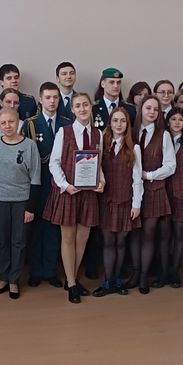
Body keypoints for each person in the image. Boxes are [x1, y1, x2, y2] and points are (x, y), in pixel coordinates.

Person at [45, 91, 104, 303]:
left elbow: (99, 163)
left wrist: (101, 181)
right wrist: (65, 185)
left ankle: (73, 277)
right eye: (78, 106)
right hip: (69, 192)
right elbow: (54, 163)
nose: (82, 109)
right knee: (68, 239)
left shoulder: (98, 134)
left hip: (89, 194)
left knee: (82, 239)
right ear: (72, 109)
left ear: (91, 107)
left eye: (85, 105)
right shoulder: (64, 132)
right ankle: (71, 284)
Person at [0, 107, 40, 298]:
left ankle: (14, 279)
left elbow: (35, 178)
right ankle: (4, 277)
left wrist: (31, 208)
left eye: (11, 122)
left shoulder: (29, 145)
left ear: (18, 123)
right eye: (3, 123)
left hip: (22, 200)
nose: (7, 126)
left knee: (19, 241)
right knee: (3, 241)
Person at [93, 103, 143, 296]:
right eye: (115, 120)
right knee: (108, 242)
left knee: (121, 242)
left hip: (125, 202)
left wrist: (136, 204)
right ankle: (108, 281)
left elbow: (137, 179)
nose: (119, 124)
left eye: (123, 121)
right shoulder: (102, 145)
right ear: (110, 123)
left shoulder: (134, 148)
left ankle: (118, 280)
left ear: (127, 124)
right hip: (106, 201)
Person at [132, 95, 175, 293]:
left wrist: (148, 175)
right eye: (148, 108)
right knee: (134, 234)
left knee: (148, 233)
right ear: (141, 109)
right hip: (132, 190)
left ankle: (144, 276)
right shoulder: (131, 132)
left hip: (154, 189)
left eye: (156, 109)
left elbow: (170, 166)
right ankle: (135, 273)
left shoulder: (163, 135)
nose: (152, 112)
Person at [26, 82, 63, 287]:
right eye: (48, 97)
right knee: (36, 230)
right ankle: (36, 271)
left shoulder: (66, 123)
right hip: (37, 186)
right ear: (40, 100)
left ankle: (50, 271)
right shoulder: (30, 124)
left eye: (55, 97)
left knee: (53, 230)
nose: (52, 101)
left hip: (59, 186)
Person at [162, 106, 183, 288]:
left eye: (180, 119)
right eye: (173, 119)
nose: (177, 122)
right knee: (164, 235)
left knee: (179, 235)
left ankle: (175, 272)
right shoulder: (161, 141)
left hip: (182, 194)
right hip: (163, 194)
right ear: (167, 122)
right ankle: (164, 272)